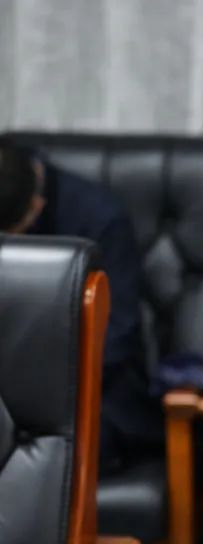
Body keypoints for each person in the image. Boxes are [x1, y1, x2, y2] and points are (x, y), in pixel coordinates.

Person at [0, 138, 161, 473]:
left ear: (36, 208)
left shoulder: (101, 218)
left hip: (92, 389)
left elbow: (118, 334)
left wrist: (38, 386)